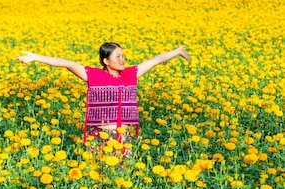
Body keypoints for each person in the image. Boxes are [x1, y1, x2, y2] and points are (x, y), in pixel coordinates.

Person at [17, 43, 191, 155]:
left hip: (123, 138)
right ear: (106, 60)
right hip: (99, 136)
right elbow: (68, 63)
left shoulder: (130, 74)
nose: (122, 59)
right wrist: (36, 58)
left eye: (123, 56)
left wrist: (176, 52)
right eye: (118, 56)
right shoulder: (93, 75)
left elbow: (155, 60)